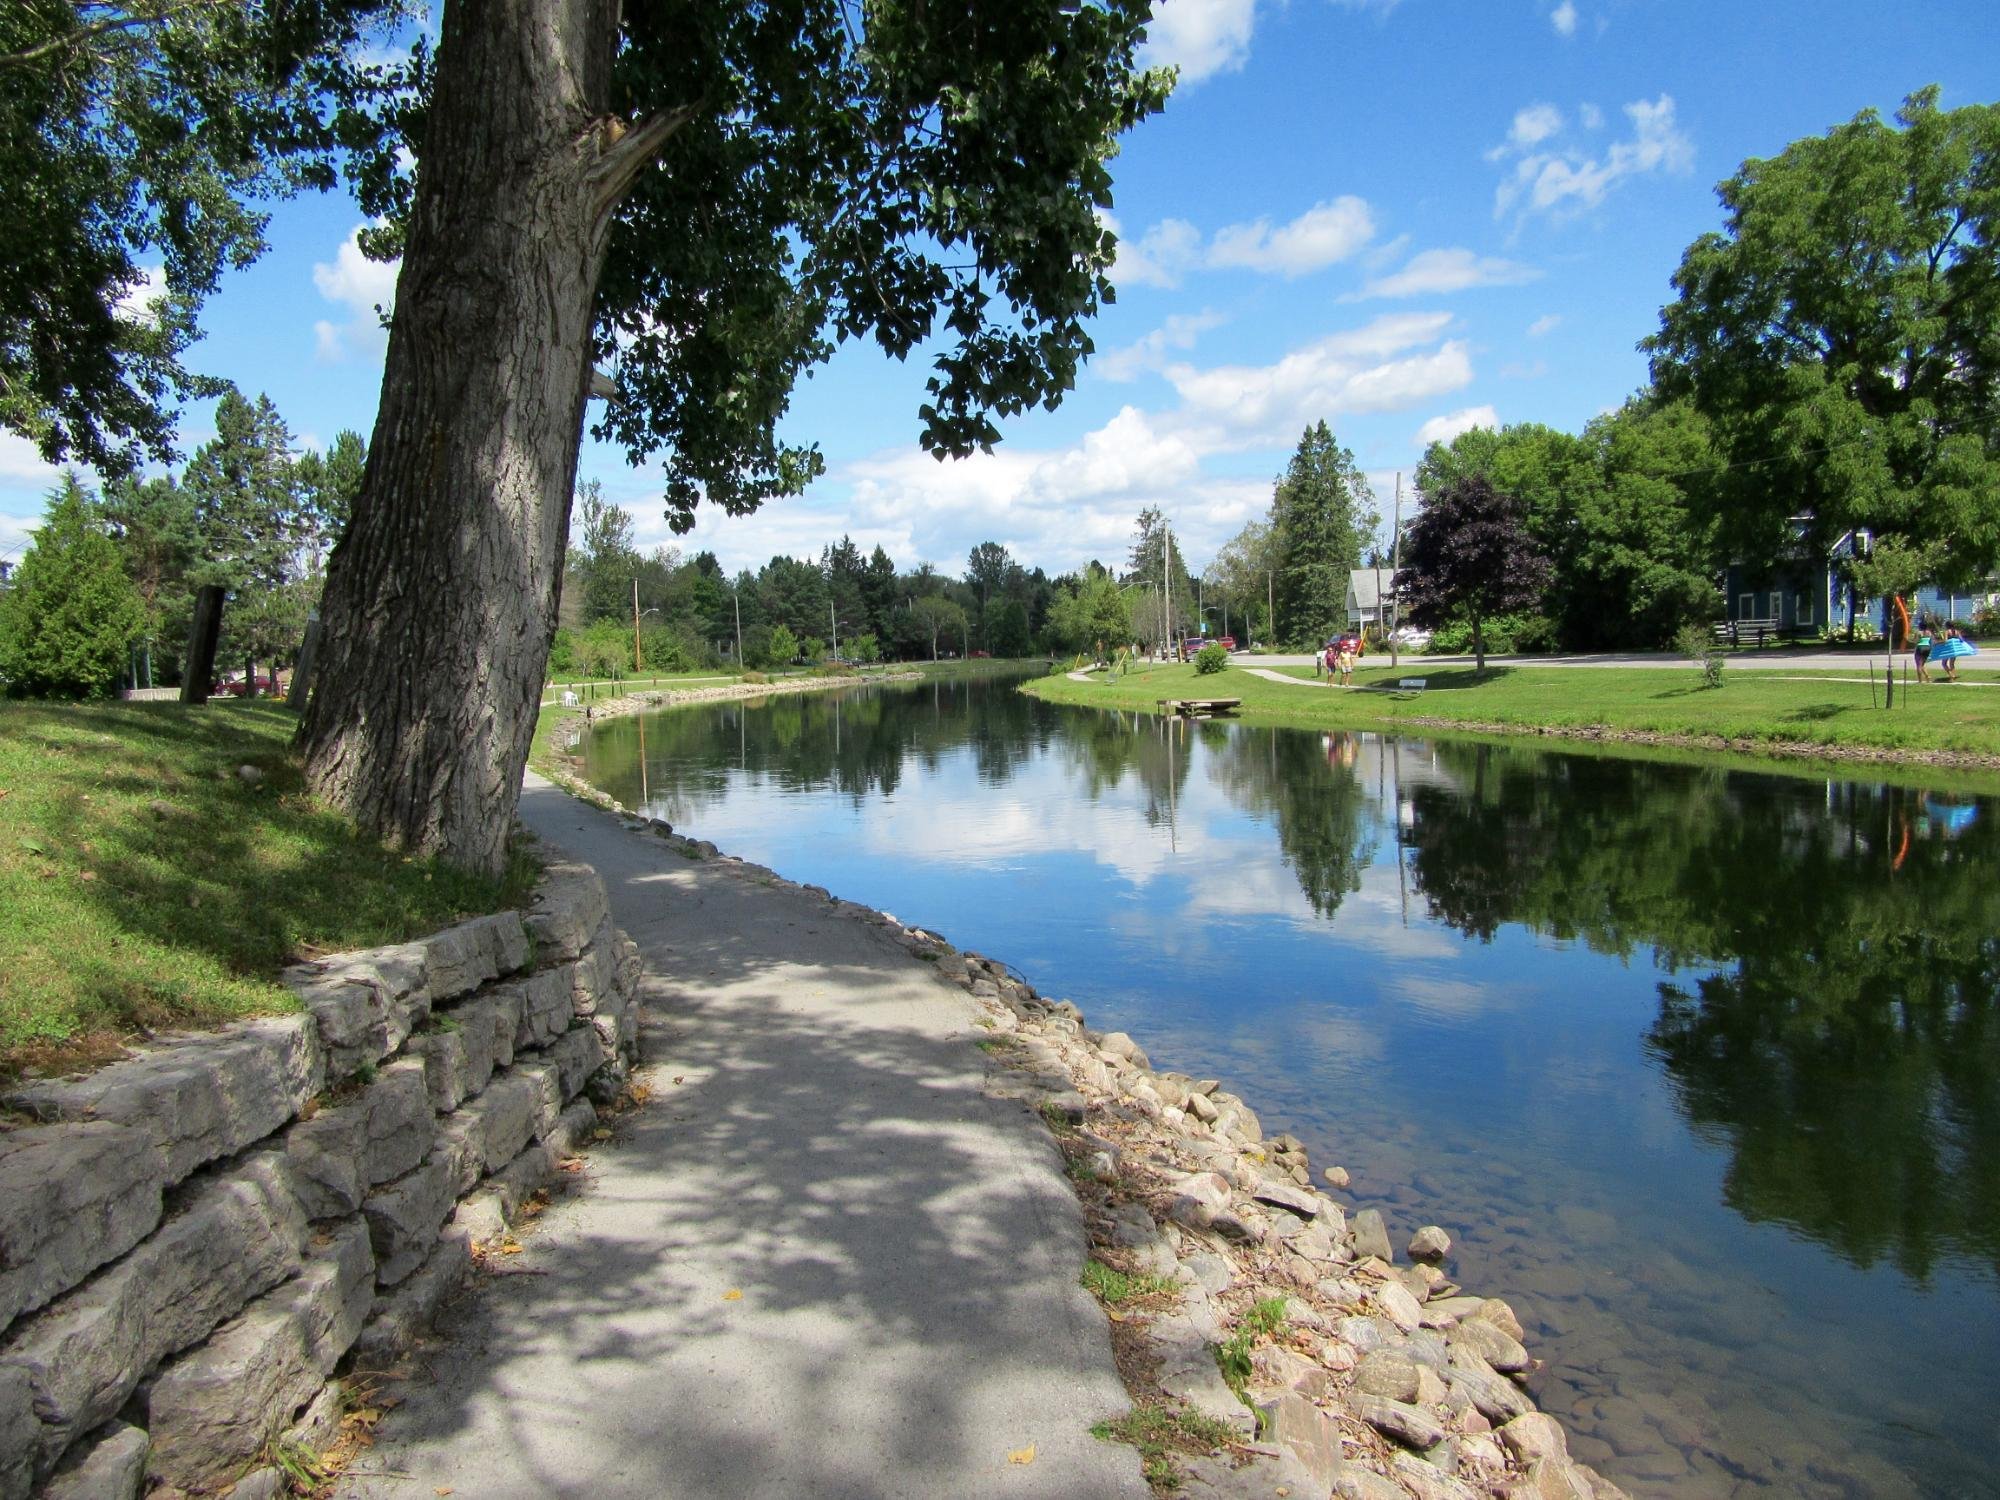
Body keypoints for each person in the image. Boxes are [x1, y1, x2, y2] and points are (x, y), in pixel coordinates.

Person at [1914, 616, 1933, 684]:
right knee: (1922, 664)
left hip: (1920, 648)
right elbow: (1931, 641)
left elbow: (1916, 641)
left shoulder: (1918, 633)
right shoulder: (1929, 633)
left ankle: (1920, 681)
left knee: (1918, 665)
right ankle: (1927, 676)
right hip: (1927, 648)